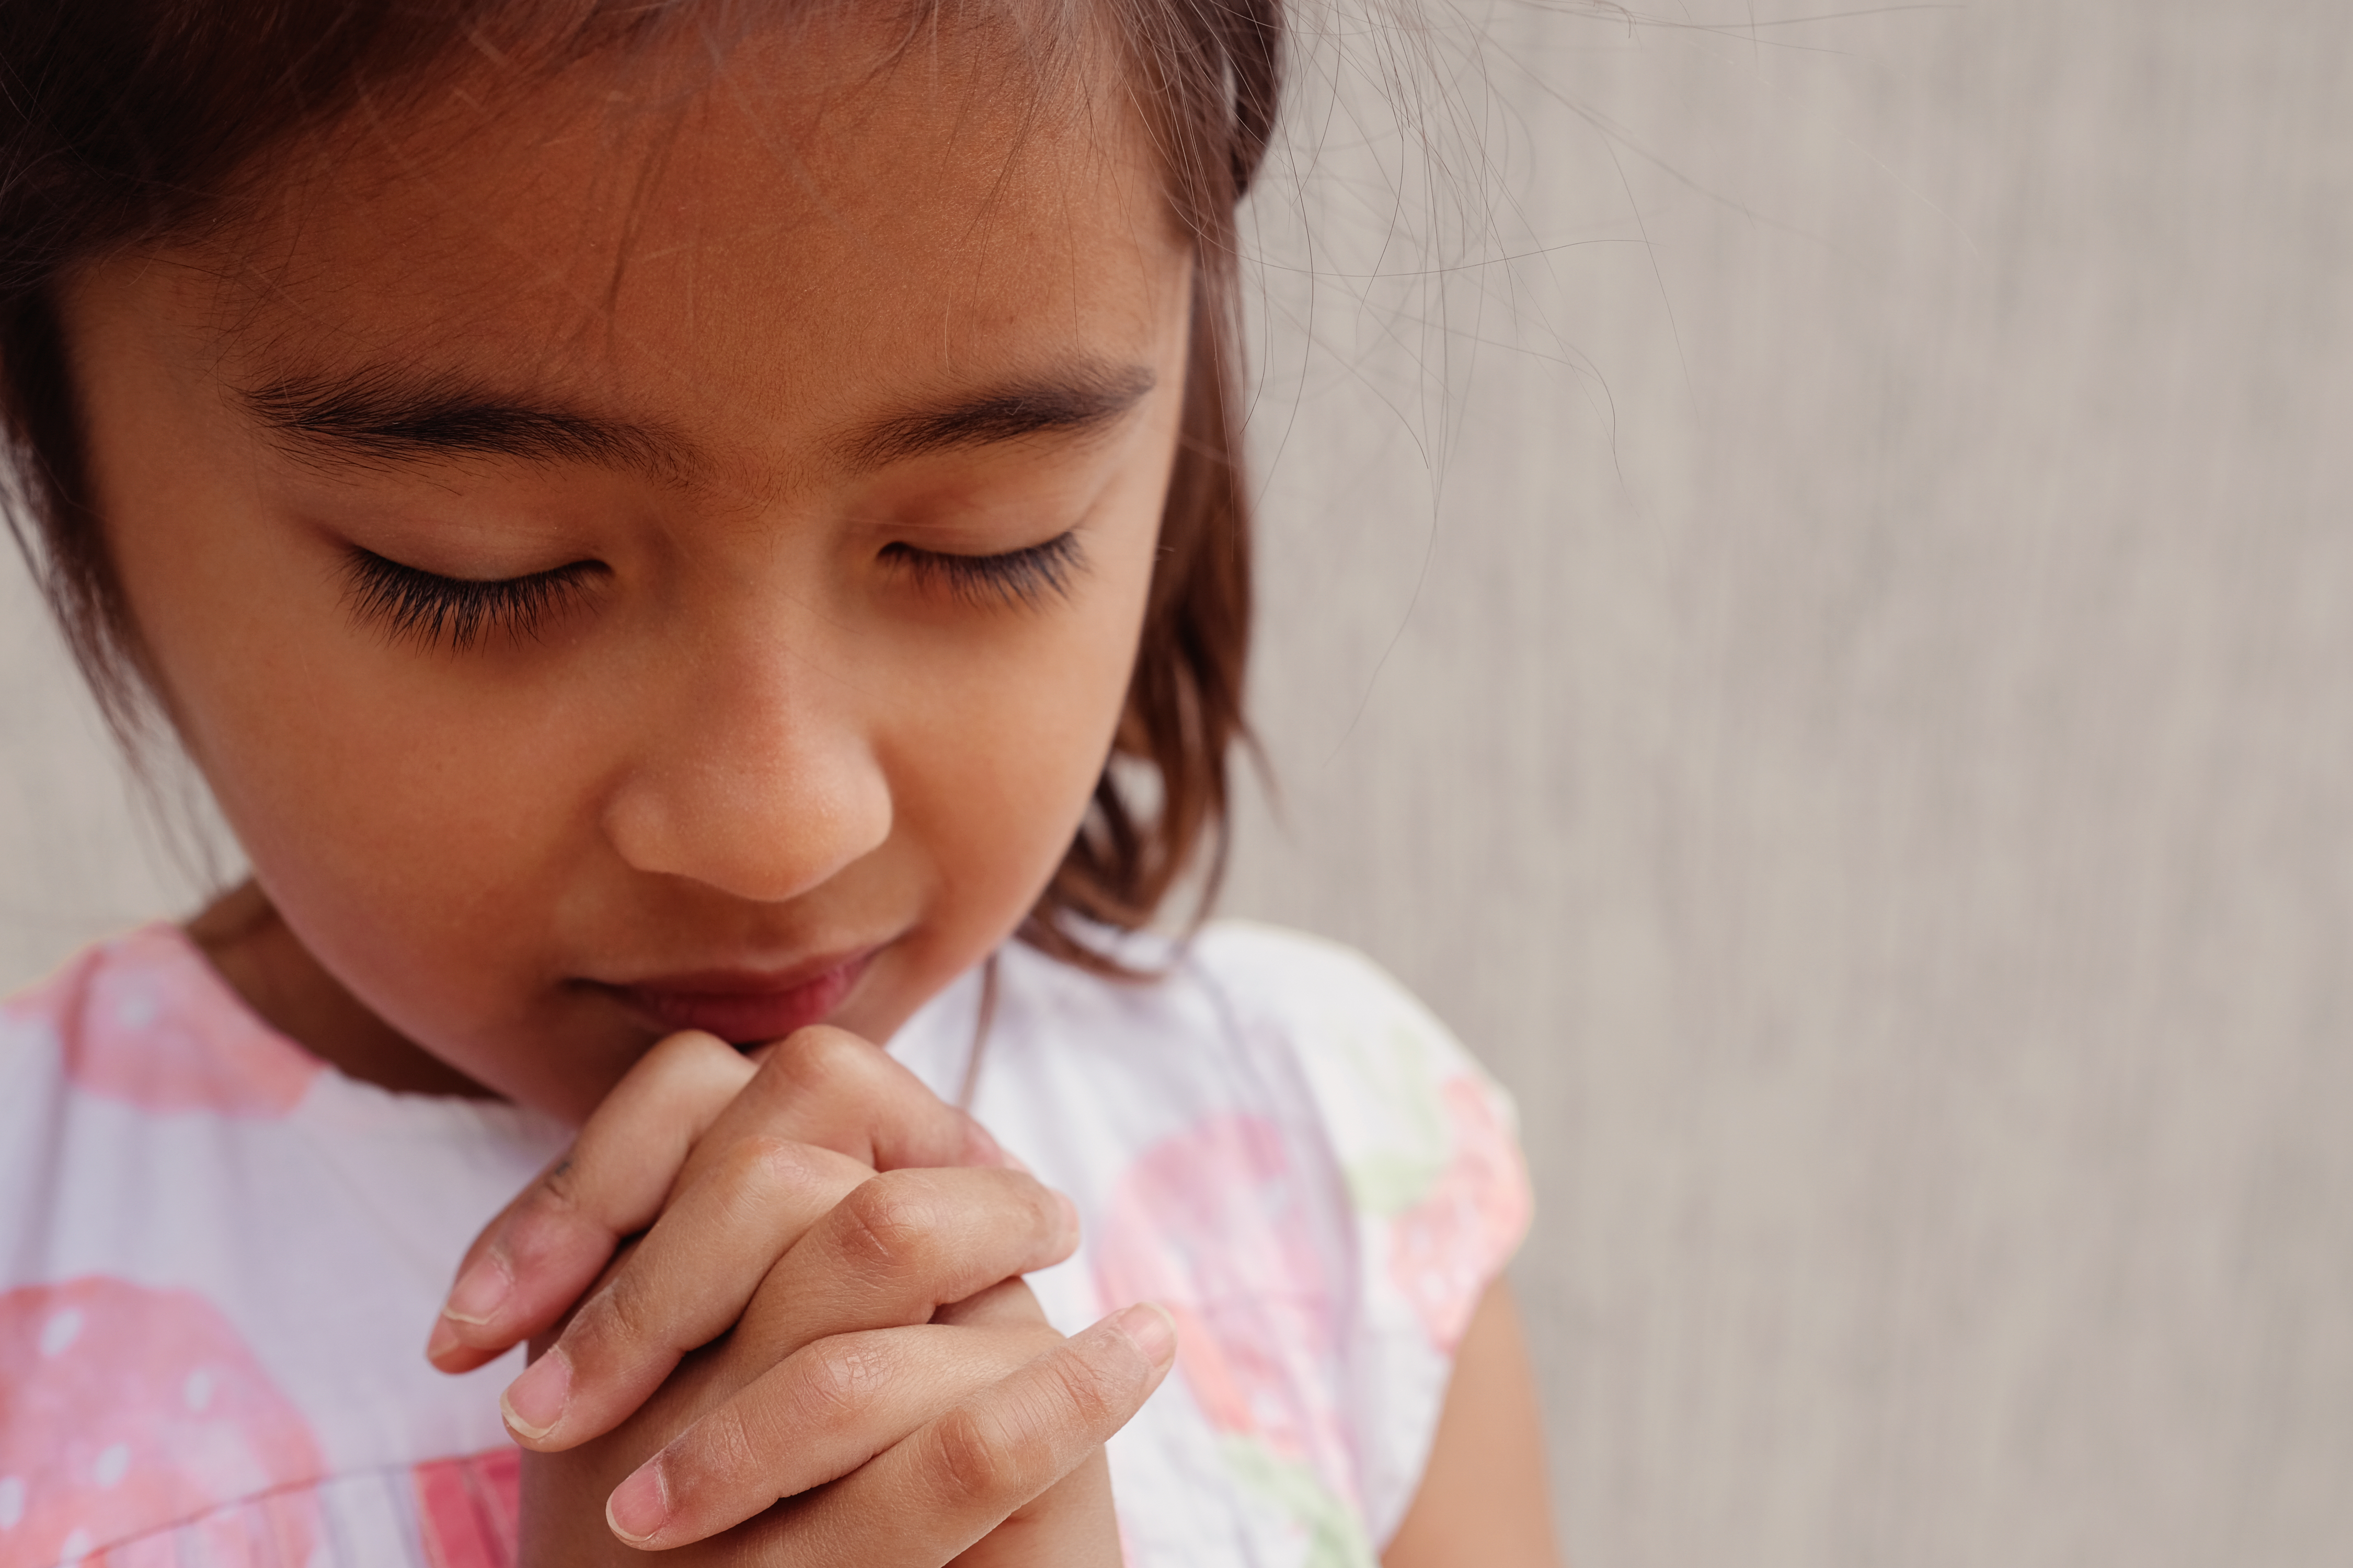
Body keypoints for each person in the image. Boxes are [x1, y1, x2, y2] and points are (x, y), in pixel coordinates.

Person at [0, 1, 1559, 1563]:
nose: (781, 829)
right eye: (482, 575)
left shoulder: (1321, 1189)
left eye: (985, 538)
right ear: (52, 414)